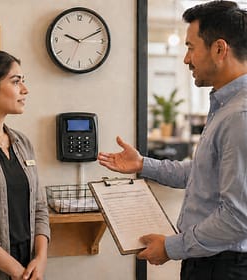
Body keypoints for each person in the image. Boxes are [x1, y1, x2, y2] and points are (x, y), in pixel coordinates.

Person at [98, 1, 247, 279]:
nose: (186, 59)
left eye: (190, 47)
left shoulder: (240, 115)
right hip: (211, 263)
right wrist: (143, 164)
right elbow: (202, 173)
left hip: (225, 267)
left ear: (219, 49)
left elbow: (238, 217)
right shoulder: (226, 107)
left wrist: (170, 247)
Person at [0, 50, 50, 280]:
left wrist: (40, 259)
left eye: (24, 81)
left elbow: (39, 207)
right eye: (16, 81)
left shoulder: (22, 142)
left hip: (29, 268)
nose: (25, 90)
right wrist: (17, 272)